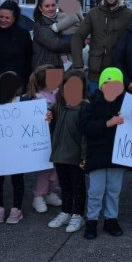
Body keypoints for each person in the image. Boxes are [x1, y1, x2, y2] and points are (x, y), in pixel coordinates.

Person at [80, 68, 128, 238]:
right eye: (107, 84)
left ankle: (111, 219)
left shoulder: (128, 105)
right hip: (97, 155)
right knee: (96, 190)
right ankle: (91, 221)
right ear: (101, 86)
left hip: (118, 155)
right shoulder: (91, 105)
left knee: (114, 190)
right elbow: (85, 127)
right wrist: (107, 123)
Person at [71, 0, 132, 92]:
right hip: (96, 74)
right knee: (96, 106)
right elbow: (78, 37)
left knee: (118, 108)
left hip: (121, 73)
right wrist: (78, 65)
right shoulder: (93, 14)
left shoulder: (129, 15)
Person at [46, 69, 88, 234]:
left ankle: (78, 215)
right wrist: (48, 119)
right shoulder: (58, 106)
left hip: (76, 156)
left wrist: (84, 156)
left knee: (78, 185)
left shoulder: (84, 107)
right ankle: (66, 211)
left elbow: (85, 135)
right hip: (60, 154)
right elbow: (54, 129)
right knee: (64, 184)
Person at [0, 71, 27, 224]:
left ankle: (16, 209)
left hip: (17, 150)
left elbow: (35, 118)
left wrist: (46, 116)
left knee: (17, 179)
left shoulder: (23, 102)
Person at [26, 65, 63, 213]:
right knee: (45, 168)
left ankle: (51, 192)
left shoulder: (58, 94)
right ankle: (38, 195)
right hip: (44, 140)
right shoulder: (36, 98)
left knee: (57, 166)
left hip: (57, 137)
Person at [0, 0, 33, 85]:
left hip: (17, 82)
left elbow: (28, 60)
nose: (3, 20)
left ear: (14, 19)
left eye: (7, 18)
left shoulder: (23, 34)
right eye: (0, 17)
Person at [32, 0, 82, 70]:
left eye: (53, 5)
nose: (51, 8)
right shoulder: (41, 26)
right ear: (40, 8)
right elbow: (57, 45)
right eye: (47, 6)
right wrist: (77, 43)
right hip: (45, 68)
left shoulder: (58, 20)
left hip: (57, 66)